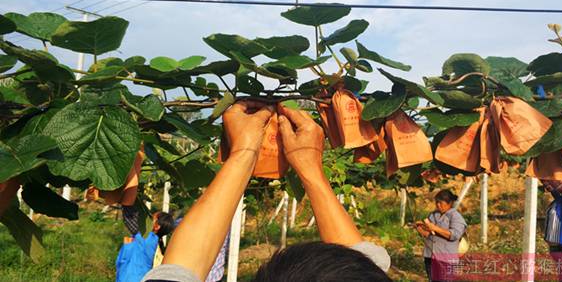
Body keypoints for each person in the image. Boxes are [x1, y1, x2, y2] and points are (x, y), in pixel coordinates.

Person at [142, 102, 391, 282]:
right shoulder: (365, 271)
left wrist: (243, 153)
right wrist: (310, 170)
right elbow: (365, 264)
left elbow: (180, 269)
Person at [415, 189, 466, 282]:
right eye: (437, 202)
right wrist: (420, 228)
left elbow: (454, 235)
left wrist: (434, 228)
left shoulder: (456, 217)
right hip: (430, 256)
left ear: (449, 203)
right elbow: (428, 234)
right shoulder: (433, 215)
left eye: (441, 203)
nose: (438, 205)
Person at [117, 211, 176, 282]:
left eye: (151, 218)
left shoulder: (146, 238)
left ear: (157, 227)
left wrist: (128, 203)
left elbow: (130, 221)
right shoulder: (153, 242)